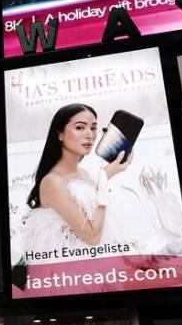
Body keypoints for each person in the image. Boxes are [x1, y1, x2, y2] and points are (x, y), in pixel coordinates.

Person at [17, 104, 132, 266]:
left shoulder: (83, 174)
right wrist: (104, 178)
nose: (90, 135)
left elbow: (98, 217)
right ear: (60, 134)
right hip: (69, 275)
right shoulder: (52, 182)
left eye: (93, 128)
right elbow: (92, 236)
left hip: (95, 269)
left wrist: (108, 174)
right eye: (80, 127)